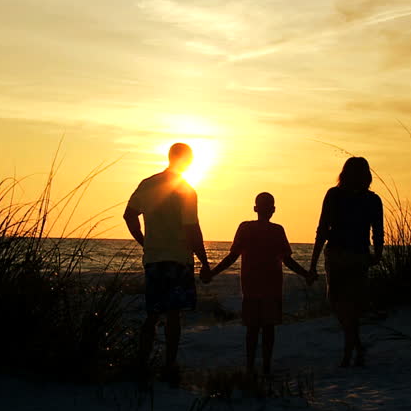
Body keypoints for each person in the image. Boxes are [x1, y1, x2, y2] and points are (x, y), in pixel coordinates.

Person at [124, 142, 211, 380]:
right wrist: (204, 261)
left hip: (153, 259)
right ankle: (168, 366)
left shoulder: (147, 184)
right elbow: (192, 228)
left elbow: (129, 215)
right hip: (178, 259)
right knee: (173, 315)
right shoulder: (185, 190)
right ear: (188, 161)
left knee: (152, 314)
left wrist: (144, 241)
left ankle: (142, 363)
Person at [203, 192, 315, 375]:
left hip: (251, 288)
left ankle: (249, 367)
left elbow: (232, 257)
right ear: (273, 210)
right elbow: (288, 261)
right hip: (271, 288)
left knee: (252, 330)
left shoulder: (245, 228)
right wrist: (307, 274)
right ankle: (266, 367)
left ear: (255, 208)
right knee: (268, 330)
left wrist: (212, 273)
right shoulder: (277, 230)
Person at [309, 157, 383, 367]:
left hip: (339, 253)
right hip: (359, 255)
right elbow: (378, 232)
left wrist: (313, 263)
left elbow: (322, 229)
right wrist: (377, 255)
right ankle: (356, 347)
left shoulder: (334, 195)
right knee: (352, 306)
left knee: (337, 302)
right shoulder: (372, 199)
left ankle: (351, 350)